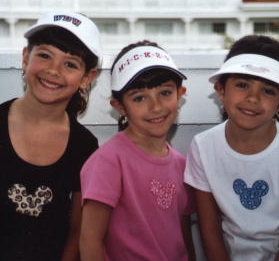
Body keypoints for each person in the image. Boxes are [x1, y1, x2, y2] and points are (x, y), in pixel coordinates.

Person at [0, 11, 102, 261]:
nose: (53, 70)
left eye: (70, 64)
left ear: (87, 78)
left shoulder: (85, 145)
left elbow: (77, 231)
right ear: (26, 57)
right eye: (44, 55)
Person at [184, 35, 279, 261]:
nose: (253, 98)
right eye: (242, 85)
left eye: (268, 90)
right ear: (220, 90)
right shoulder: (203, 146)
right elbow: (210, 231)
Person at [79, 40, 195, 261]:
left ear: (180, 94)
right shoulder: (109, 161)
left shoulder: (181, 164)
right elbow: (89, 240)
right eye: (139, 98)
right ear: (120, 106)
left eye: (165, 92)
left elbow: (184, 233)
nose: (156, 106)